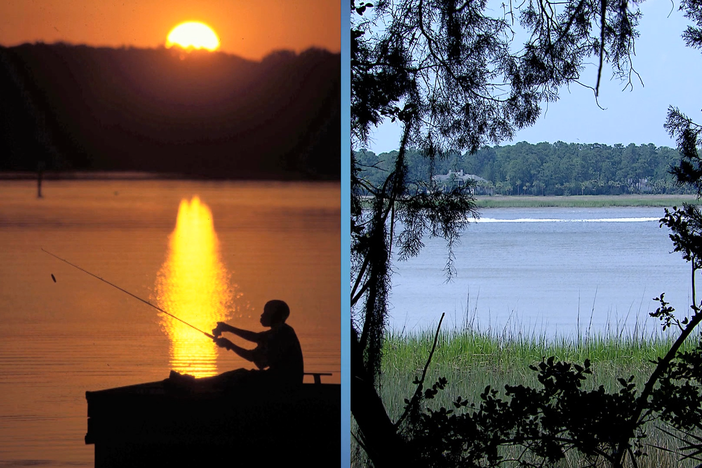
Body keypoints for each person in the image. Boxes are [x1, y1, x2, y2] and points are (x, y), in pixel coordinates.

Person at [167, 299, 304, 393]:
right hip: (280, 381)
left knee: (237, 376)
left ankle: (191, 383)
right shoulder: (281, 331)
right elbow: (256, 338)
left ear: (276, 316)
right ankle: (192, 382)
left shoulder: (281, 333)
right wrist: (228, 329)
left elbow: (254, 357)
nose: (262, 315)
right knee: (237, 375)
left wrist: (229, 343)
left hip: (281, 385)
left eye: (266, 312)